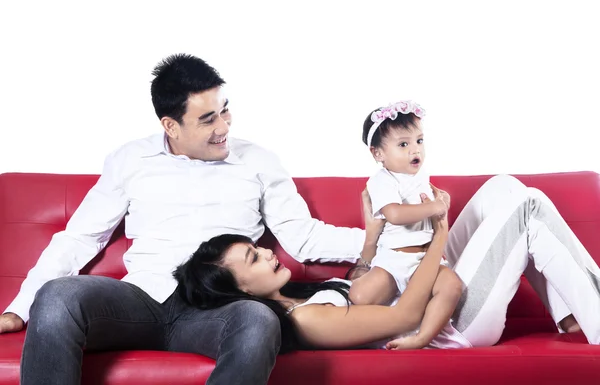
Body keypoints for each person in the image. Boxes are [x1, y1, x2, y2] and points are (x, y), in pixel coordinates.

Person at [0, 54, 366, 385]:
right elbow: (79, 237)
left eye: (225, 110)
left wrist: (391, 240)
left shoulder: (259, 162)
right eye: (207, 119)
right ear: (171, 126)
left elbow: (304, 237)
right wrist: (20, 308)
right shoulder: (130, 160)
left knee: (258, 320)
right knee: (57, 296)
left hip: (215, 308)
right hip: (140, 299)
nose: (223, 126)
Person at [175, 174, 600, 352]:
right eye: (254, 257)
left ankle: (569, 317)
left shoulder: (301, 297)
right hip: (451, 326)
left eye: (258, 247)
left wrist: (372, 234)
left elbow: (365, 281)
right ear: (243, 290)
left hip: (434, 292)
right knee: (528, 204)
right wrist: (437, 232)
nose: (268, 251)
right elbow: (406, 317)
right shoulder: (306, 322)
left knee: (502, 186)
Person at [347, 100, 463, 349]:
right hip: (394, 260)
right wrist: (434, 208)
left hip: (426, 260)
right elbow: (394, 214)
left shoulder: (419, 176)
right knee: (359, 295)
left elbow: (431, 200)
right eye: (403, 144)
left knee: (452, 285)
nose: (415, 151)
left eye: (419, 141)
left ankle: (421, 337)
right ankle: (394, 316)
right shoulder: (382, 180)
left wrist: (441, 199)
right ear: (378, 153)